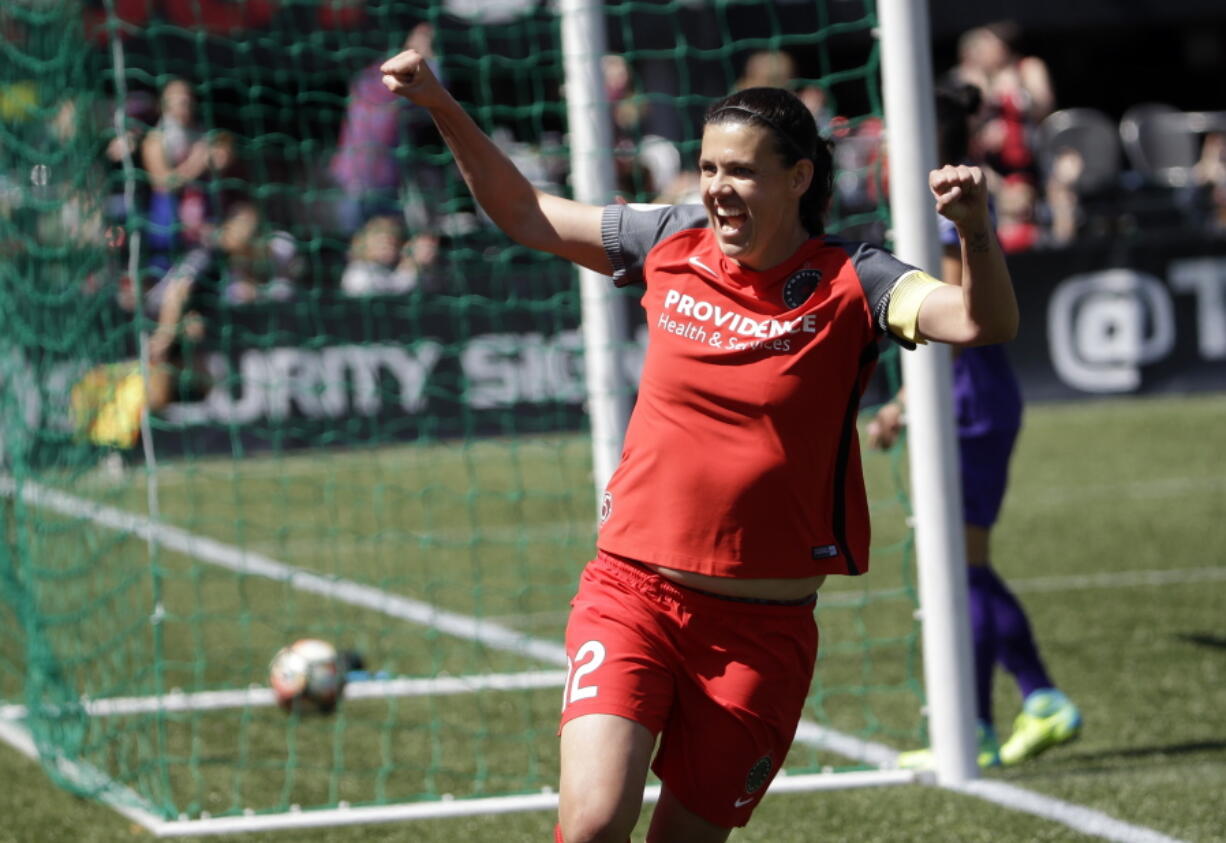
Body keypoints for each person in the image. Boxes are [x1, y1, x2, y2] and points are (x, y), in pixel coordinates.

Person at [381, 46, 1018, 842]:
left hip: (762, 634)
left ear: (799, 179)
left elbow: (981, 322)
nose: (718, 188)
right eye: (709, 167)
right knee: (590, 824)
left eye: (742, 171)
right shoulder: (669, 238)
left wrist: (975, 234)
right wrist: (440, 101)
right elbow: (525, 212)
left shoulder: (857, 278)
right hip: (633, 594)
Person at [868, 83, 1081, 771]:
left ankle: (990, 721)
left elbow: (964, 311)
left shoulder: (942, 205)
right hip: (965, 394)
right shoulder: (929, 201)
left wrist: (909, 400)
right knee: (963, 567)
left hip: (971, 398)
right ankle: (1030, 703)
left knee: (962, 568)